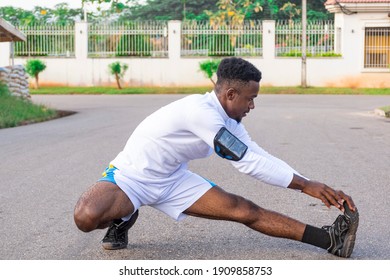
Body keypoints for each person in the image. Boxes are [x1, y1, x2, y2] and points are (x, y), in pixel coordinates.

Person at [74, 57, 359, 258]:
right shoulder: (201, 112)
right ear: (231, 93)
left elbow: (257, 154)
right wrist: (305, 186)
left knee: (245, 210)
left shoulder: (231, 122)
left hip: (172, 180)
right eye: (250, 98)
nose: (253, 105)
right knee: (86, 218)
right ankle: (124, 215)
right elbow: (245, 163)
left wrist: (308, 182)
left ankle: (329, 240)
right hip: (131, 177)